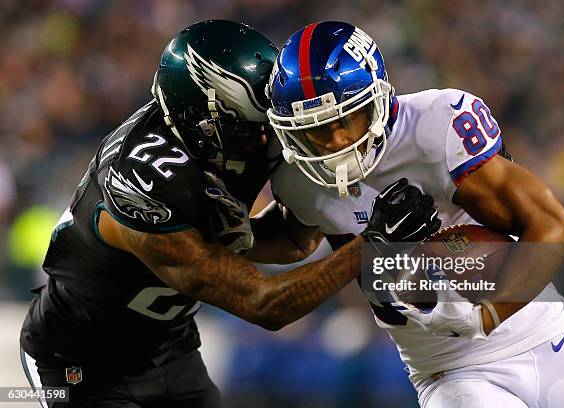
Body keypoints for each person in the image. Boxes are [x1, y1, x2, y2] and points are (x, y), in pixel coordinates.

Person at [19, 19, 440, 408]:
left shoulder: (242, 133)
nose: (266, 141)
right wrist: (369, 246)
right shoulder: (145, 182)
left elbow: (296, 241)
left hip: (170, 348)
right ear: (198, 122)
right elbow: (261, 305)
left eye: (270, 124)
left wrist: (251, 233)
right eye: (250, 129)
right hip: (79, 360)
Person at [266, 21, 564, 407]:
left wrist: (485, 317)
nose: (336, 142)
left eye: (345, 120)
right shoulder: (299, 180)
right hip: (447, 369)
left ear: (375, 100)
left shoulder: (437, 126)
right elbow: (283, 243)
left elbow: (556, 228)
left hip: (541, 334)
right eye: (317, 131)